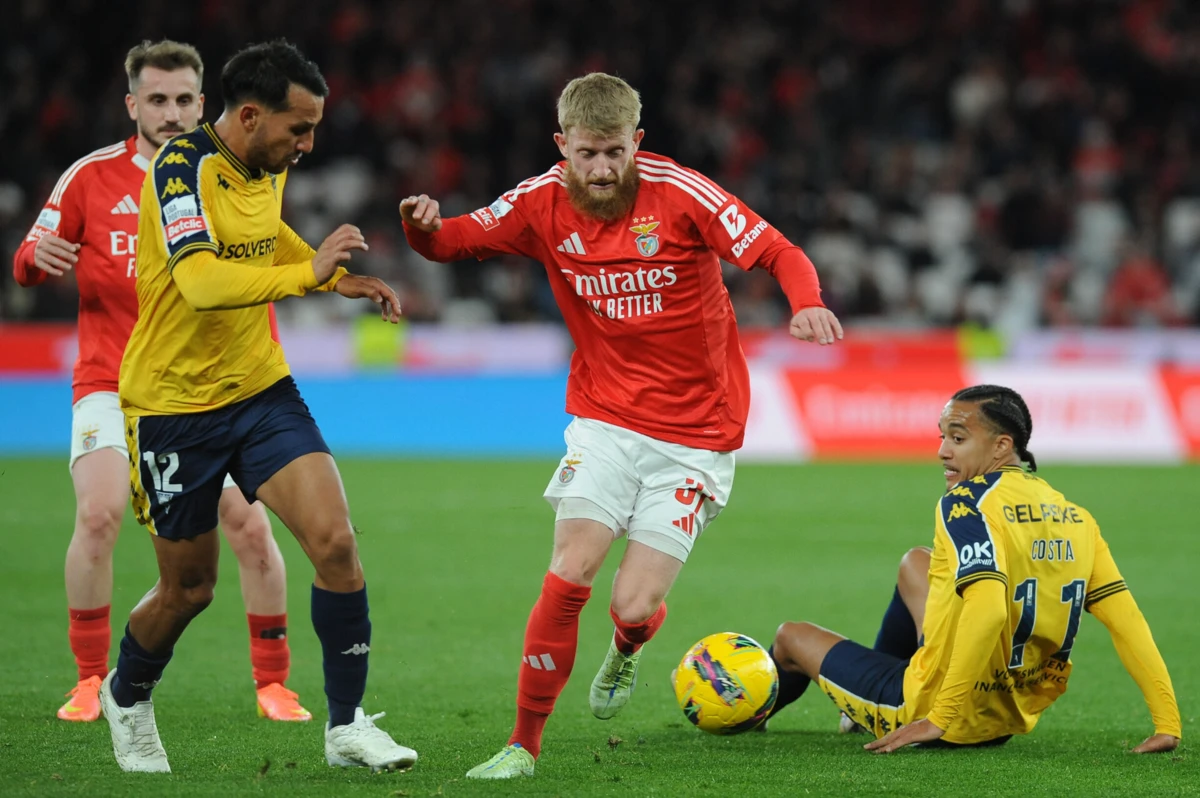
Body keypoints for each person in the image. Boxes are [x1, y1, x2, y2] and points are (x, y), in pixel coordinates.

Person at [400, 72, 843, 779]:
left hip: (698, 432)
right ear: (562, 146)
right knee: (570, 565)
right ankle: (523, 745)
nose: (602, 170)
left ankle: (630, 644)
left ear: (637, 143)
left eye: (614, 153)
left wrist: (806, 302)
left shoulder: (681, 193)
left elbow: (777, 250)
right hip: (603, 419)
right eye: (586, 155)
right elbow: (453, 242)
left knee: (632, 603)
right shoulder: (540, 200)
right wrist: (419, 231)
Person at [100, 39, 416, 774]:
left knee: (336, 545)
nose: (306, 145)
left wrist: (324, 279)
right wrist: (303, 271)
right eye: (297, 129)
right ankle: (128, 692)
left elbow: (261, 234)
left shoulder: (260, 167)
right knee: (191, 588)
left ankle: (345, 727)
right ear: (249, 115)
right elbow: (203, 282)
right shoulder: (181, 171)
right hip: (172, 406)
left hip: (260, 389)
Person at [11, 39, 311, 725]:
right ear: (132, 105)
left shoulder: (236, 170)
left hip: (213, 387)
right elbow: (30, 256)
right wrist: (36, 259)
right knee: (98, 514)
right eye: (157, 100)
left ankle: (273, 683)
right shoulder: (89, 178)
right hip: (112, 382)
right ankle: (91, 679)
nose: (171, 113)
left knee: (249, 527)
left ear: (203, 103)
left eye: (183, 100)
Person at [766, 384, 1181, 754]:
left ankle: (746, 713)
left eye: (958, 439)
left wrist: (939, 717)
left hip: (941, 714)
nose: (943, 450)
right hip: (1006, 712)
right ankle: (860, 711)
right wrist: (1167, 722)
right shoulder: (1075, 516)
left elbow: (989, 609)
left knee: (789, 637)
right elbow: (1126, 619)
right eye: (943, 436)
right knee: (916, 562)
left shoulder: (966, 503)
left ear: (1001, 446)